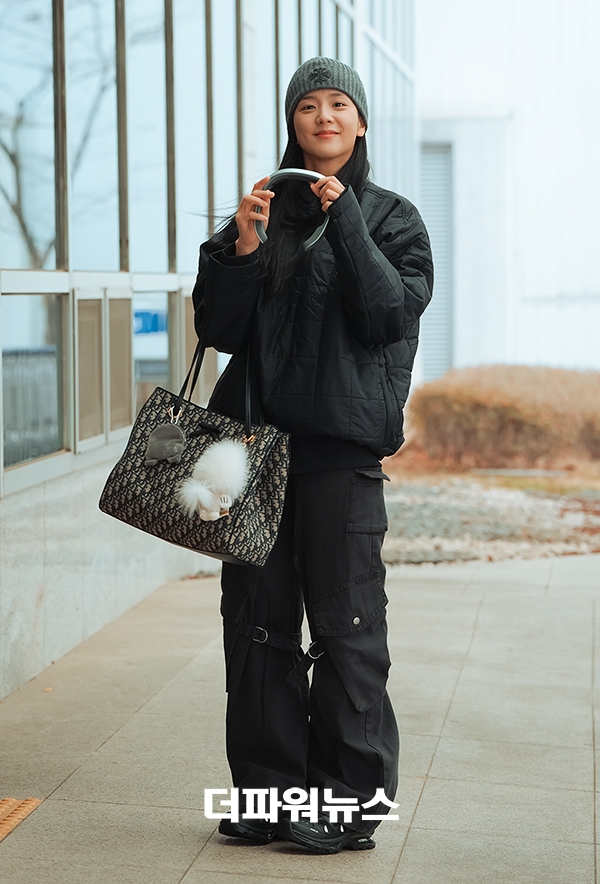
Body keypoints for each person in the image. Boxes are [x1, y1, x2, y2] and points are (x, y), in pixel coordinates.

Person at [192, 56, 433, 854]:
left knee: (346, 627)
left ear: (360, 123)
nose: (323, 116)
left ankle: (347, 805)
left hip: (338, 454)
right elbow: (219, 329)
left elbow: (385, 314)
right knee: (257, 627)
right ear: (292, 123)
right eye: (307, 106)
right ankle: (267, 798)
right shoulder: (260, 213)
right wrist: (245, 244)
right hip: (253, 452)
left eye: (338, 104)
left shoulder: (394, 218)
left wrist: (350, 222)